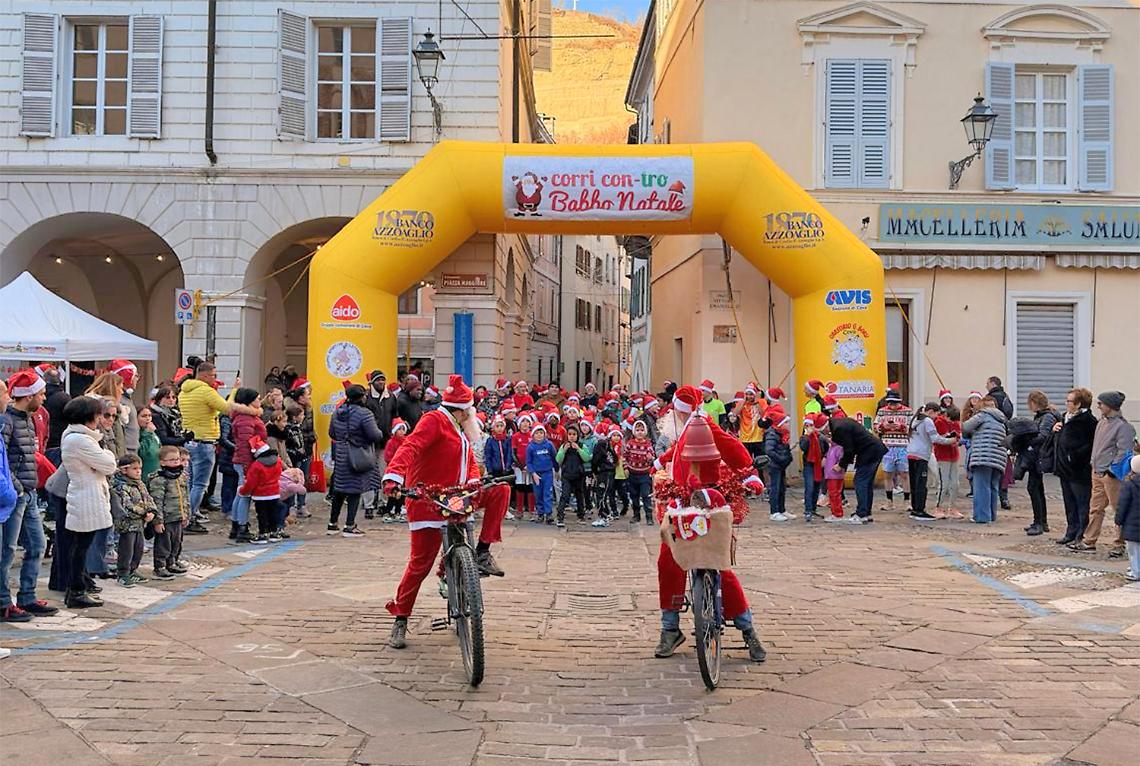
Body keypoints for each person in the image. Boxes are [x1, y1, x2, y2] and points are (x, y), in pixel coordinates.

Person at [381, 375, 511, 649]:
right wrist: (393, 476)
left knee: (500, 490)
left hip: (458, 497)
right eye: (471, 410)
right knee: (420, 565)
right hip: (428, 499)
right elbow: (411, 446)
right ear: (462, 410)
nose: (473, 415)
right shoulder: (434, 421)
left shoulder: (459, 427)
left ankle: (483, 552)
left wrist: (475, 480)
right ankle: (401, 618)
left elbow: (469, 462)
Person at [653, 392, 765, 662]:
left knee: (720, 567)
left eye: (678, 411)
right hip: (680, 502)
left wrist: (749, 474)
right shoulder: (682, 430)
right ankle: (670, 628)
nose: (673, 415)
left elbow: (734, 450)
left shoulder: (705, 426)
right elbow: (677, 451)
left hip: (710, 502)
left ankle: (746, 628)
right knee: (668, 562)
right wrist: (660, 464)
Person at [1, 370, 57, 621]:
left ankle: (27, 596)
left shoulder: (27, 419)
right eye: (41, 393)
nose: (44, 398)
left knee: (37, 544)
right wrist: (16, 487)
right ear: (29, 395)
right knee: (8, 550)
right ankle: (4, 602)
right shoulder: (8, 421)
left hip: (28, 492)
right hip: (16, 495)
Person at [178, 363, 260, 532]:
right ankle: (190, 517)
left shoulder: (185, 391)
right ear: (205, 376)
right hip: (204, 441)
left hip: (191, 439)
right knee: (200, 484)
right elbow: (227, 408)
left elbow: (206, 412)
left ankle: (187, 514)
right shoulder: (205, 391)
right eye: (214, 375)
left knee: (191, 483)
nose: (215, 379)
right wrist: (235, 390)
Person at [59, 395, 117, 609]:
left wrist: (102, 459)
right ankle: (76, 590)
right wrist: (107, 454)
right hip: (86, 498)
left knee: (80, 546)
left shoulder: (81, 437)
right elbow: (109, 464)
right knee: (80, 546)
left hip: (87, 494)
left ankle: (78, 587)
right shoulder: (80, 440)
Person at [1071, 391, 1135, 557]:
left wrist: (1112, 470)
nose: (1098, 406)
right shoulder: (1101, 423)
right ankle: (1089, 540)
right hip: (1097, 471)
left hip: (1112, 475)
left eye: (1101, 403)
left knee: (1119, 509)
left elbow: (1124, 452)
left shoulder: (1123, 427)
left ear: (1110, 405)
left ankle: (1120, 543)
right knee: (1095, 508)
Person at [328, 384, 384, 537]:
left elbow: (332, 433)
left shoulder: (337, 412)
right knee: (355, 489)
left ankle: (332, 524)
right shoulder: (364, 413)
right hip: (358, 454)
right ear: (361, 397)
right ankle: (349, 525)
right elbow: (375, 435)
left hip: (341, 454)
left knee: (339, 489)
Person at [1052, 388, 1097, 545]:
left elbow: (1090, 446)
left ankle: (1081, 534)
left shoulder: (1089, 421)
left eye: (1069, 401)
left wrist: (1075, 457)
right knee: (1069, 502)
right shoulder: (1066, 418)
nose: (1066, 403)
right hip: (1064, 468)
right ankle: (1071, 531)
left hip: (1079, 470)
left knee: (1082, 503)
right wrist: (1056, 430)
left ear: (1078, 404)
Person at [828, 413, 888, 524]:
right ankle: (866, 512)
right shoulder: (841, 423)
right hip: (874, 450)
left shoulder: (839, 428)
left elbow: (849, 449)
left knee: (860, 482)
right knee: (867, 483)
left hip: (869, 453)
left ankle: (862, 514)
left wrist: (841, 465)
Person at [906, 403, 959, 521]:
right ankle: (920, 510)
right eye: (936, 414)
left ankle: (915, 508)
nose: (936, 417)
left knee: (914, 483)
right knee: (921, 484)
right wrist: (950, 440)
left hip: (911, 453)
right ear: (931, 411)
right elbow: (935, 438)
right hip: (922, 455)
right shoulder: (927, 421)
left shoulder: (915, 418)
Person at [110, 454, 156, 587]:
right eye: (134, 468)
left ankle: (133, 569)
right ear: (124, 470)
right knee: (126, 549)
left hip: (140, 523)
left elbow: (148, 499)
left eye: (140, 468)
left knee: (139, 548)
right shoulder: (120, 486)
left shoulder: (140, 484)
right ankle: (123, 573)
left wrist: (152, 511)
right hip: (127, 524)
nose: (138, 471)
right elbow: (127, 505)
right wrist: (144, 512)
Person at [962, 396, 1009, 524]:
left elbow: (965, 427)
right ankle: (991, 515)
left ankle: (982, 517)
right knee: (993, 487)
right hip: (998, 458)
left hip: (983, 456)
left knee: (981, 487)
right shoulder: (1001, 419)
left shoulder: (982, 415)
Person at [229, 388, 266, 544]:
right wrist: (247, 466)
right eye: (257, 398)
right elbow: (244, 444)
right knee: (245, 494)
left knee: (240, 492)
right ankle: (242, 527)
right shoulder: (245, 419)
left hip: (245, 460)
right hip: (246, 460)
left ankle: (236, 525)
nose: (260, 401)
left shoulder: (249, 416)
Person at [148, 445, 189, 579]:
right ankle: (160, 566)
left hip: (178, 515)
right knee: (163, 543)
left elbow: (185, 496)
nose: (176, 462)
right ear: (162, 462)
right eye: (171, 460)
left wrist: (186, 514)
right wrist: (158, 521)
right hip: (166, 518)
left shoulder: (181, 476)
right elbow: (157, 501)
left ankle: (172, 562)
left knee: (177, 541)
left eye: (177, 459)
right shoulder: (159, 479)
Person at [1023, 390, 1060, 536]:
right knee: (1036, 488)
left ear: (1034, 403)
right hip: (1038, 456)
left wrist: (1026, 440)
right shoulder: (1043, 416)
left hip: (1039, 457)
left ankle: (1039, 522)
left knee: (1034, 488)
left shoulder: (1046, 417)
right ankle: (1040, 521)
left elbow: (1043, 436)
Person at [872, 384, 912, 511]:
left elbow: (912, 428)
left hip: (903, 445)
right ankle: (889, 501)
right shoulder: (882, 411)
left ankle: (907, 501)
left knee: (904, 474)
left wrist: (900, 426)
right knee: (887, 474)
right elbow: (875, 426)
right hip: (887, 445)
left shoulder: (907, 411)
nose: (892, 405)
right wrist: (884, 427)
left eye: (894, 403)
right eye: (890, 402)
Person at [238, 437, 284, 544]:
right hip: (274, 493)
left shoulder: (256, 465)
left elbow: (251, 483)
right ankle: (274, 533)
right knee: (273, 513)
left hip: (260, 495)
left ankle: (262, 534)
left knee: (262, 514)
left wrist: (243, 491)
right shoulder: (278, 461)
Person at [985, 377, 1016, 510]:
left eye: (987, 383)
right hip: (1004, 436)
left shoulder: (990, 398)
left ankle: (991, 501)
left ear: (992, 384)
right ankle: (1004, 498)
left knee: (990, 469)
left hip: (991, 438)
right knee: (1004, 466)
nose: (986, 386)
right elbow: (1009, 413)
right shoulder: (1006, 397)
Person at [762, 404, 793, 521]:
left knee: (782, 488)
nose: (788, 425)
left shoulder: (782, 434)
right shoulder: (772, 434)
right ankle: (774, 511)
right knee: (775, 488)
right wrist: (781, 459)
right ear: (780, 424)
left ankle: (782, 509)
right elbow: (769, 450)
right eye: (786, 423)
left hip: (781, 465)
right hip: (775, 465)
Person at [555, 425, 590, 527]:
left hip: (579, 475)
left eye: (574, 434)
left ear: (577, 435)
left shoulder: (582, 446)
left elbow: (587, 458)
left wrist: (579, 449)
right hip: (566, 475)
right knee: (565, 495)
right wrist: (563, 451)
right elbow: (558, 460)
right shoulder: (564, 446)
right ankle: (560, 517)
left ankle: (581, 516)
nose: (572, 437)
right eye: (569, 434)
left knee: (579, 496)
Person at [932, 405, 963, 519]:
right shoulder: (939, 422)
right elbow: (937, 439)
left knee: (955, 484)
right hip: (942, 456)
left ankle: (952, 507)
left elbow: (959, 436)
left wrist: (956, 440)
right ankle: (938, 507)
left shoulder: (955, 422)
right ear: (946, 415)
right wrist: (949, 438)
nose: (953, 422)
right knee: (943, 483)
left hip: (953, 455)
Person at [799, 413, 829, 522]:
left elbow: (827, 449)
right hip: (809, 465)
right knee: (809, 487)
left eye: (810, 425)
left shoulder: (821, 437)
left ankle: (813, 509)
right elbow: (803, 447)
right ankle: (808, 510)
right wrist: (807, 436)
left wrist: (825, 458)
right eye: (806, 426)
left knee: (817, 488)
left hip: (819, 465)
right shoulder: (804, 438)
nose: (808, 428)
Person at [1114, 455, 1140, 581]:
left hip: (1132, 524)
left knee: (1133, 551)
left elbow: (1122, 504)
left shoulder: (1129, 485)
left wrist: (1118, 520)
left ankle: (1136, 571)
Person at [625, 420, 656, 524]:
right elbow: (624, 457)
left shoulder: (648, 444)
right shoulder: (630, 444)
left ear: (645, 432)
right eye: (637, 430)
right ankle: (636, 515)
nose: (640, 432)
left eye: (642, 430)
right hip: (632, 473)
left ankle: (649, 517)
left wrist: (650, 458)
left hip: (644, 474)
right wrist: (625, 468)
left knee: (645, 495)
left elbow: (652, 457)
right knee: (634, 495)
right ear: (634, 431)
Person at [108, 359, 140, 457]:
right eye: (136, 376)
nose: (138, 379)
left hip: (131, 448)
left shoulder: (126, 398)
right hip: (126, 451)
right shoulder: (118, 400)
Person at [379, 419, 409, 522]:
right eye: (399, 429)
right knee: (393, 493)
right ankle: (388, 511)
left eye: (403, 429)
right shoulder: (391, 443)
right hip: (394, 472)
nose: (401, 431)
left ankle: (398, 511)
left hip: (404, 472)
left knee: (401, 494)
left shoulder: (406, 442)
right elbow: (388, 457)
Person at [527, 424, 556, 524]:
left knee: (547, 493)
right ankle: (540, 513)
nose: (539, 435)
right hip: (536, 474)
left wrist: (556, 470)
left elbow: (554, 457)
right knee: (538, 494)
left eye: (541, 433)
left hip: (547, 473)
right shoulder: (531, 447)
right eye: (537, 433)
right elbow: (529, 462)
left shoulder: (549, 445)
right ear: (533, 434)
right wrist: (533, 473)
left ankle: (548, 514)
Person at [42, 367, 71, 467]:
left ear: (44, 379)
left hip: (42, 441)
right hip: (59, 441)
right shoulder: (64, 398)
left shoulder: (38, 396)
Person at [590, 427, 618, 524]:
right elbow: (615, 459)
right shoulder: (608, 446)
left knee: (600, 495)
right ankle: (607, 513)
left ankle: (603, 517)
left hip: (604, 473)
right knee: (604, 495)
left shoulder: (600, 445)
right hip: (609, 472)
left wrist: (594, 471)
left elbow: (595, 460)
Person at [512, 414, 535, 518]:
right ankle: (519, 510)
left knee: (530, 487)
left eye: (527, 421)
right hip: (519, 466)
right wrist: (521, 466)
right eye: (523, 421)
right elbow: (513, 452)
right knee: (520, 486)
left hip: (530, 465)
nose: (525, 424)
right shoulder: (515, 436)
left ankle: (532, 510)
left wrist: (529, 465)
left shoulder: (532, 436)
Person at [823, 436, 845, 522]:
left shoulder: (838, 448)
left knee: (834, 494)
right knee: (833, 495)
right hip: (831, 475)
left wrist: (838, 466)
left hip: (835, 475)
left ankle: (837, 513)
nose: (829, 438)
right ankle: (835, 512)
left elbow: (842, 459)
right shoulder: (831, 448)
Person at [137, 407, 161, 479]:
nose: (148, 418)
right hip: (145, 473)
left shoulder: (152, 432)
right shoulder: (138, 434)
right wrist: (148, 434)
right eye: (144, 416)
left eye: (149, 415)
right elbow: (142, 452)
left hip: (157, 471)